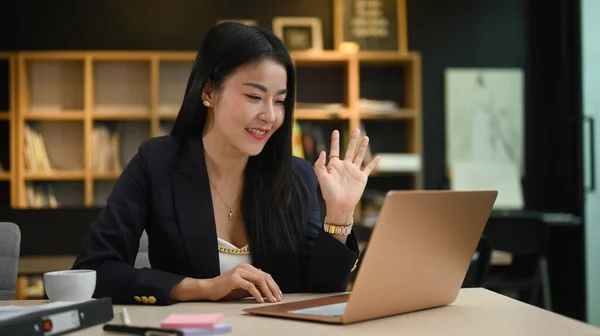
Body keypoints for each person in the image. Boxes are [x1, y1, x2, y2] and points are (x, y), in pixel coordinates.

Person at [71, 22, 380, 306]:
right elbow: (94, 270)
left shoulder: (298, 175)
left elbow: (320, 294)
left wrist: (339, 215)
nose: (270, 116)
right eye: (254, 97)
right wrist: (202, 288)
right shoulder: (156, 162)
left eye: (280, 101)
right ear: (209, 91)